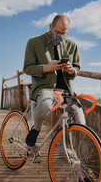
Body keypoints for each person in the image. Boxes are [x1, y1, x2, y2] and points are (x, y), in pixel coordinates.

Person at [23, 13, 86, 147]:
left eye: (64, 34)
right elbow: (27, 68)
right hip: (44, 88)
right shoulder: (34, 42)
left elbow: (77, 69)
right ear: (51, 26)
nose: (60, 36)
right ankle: (36, 129)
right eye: (57, 32)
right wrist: (46, 68)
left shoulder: (72, 45)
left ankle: (78, 158)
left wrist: (71, 70)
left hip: (66, 91)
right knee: (45, 104)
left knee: (82, 123)